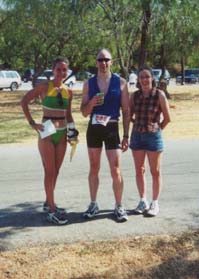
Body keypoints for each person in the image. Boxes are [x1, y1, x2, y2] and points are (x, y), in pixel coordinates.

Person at [21, 57, 78, 225]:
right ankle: (52, 210)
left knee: (56, 171)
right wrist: (33, 124)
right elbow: (24, 101)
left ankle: (49, 202)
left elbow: (68, 115)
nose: (61, 72)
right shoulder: (45, 87)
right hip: (47, 132)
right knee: (50, 171)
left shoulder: (69, 91)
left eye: (64, 70)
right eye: (58, 69)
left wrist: (72, 133)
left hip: (62, 133)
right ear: (53, 70)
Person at [80, 48, 130, 222]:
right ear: (96, 63)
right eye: (100, 60)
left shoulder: (121, 82)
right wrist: (92, 102)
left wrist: (126, 136)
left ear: (112, 62)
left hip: (112, 128)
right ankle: (93, 204)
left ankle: (118, 206)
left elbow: (126, 110)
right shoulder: (88, 84)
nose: (103, 63)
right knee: (94, 168)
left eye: (106, 59)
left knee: (116, 169)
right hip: (94, 128)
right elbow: (84, 112)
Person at [129, 65, 171, 217]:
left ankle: (155, 202)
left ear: (152, 78)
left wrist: (156, 129)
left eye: (147, 76)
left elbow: (167, 118)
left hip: (154, 137)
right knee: (139, 170)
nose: (144, 80)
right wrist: (135, 125)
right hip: (137, 136)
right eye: (141, 77)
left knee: (155, 171)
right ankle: (142, 200)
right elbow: (129, 114)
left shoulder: (159, 94)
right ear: (138, 80)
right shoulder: (134, 96)